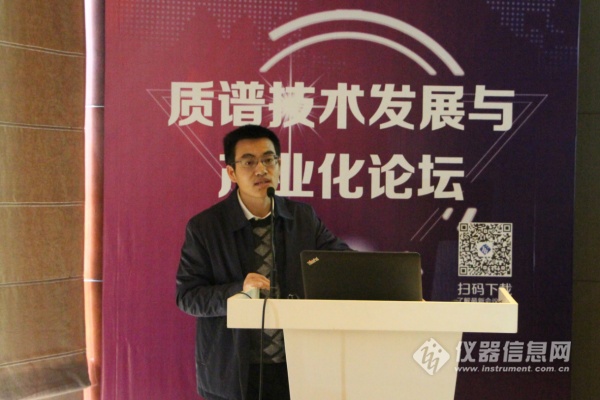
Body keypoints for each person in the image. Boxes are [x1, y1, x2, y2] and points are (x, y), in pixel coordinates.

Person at [176, 124, 350, 400]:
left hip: (296, 369)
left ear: (279, 165)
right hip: (232, 373)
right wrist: (238, 292)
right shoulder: (206, 227)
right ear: (231, 172)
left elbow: (344, 265)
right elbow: (188, 297)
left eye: (269, 160)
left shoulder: (302, 218)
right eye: (249, 162)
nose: (261, 170)